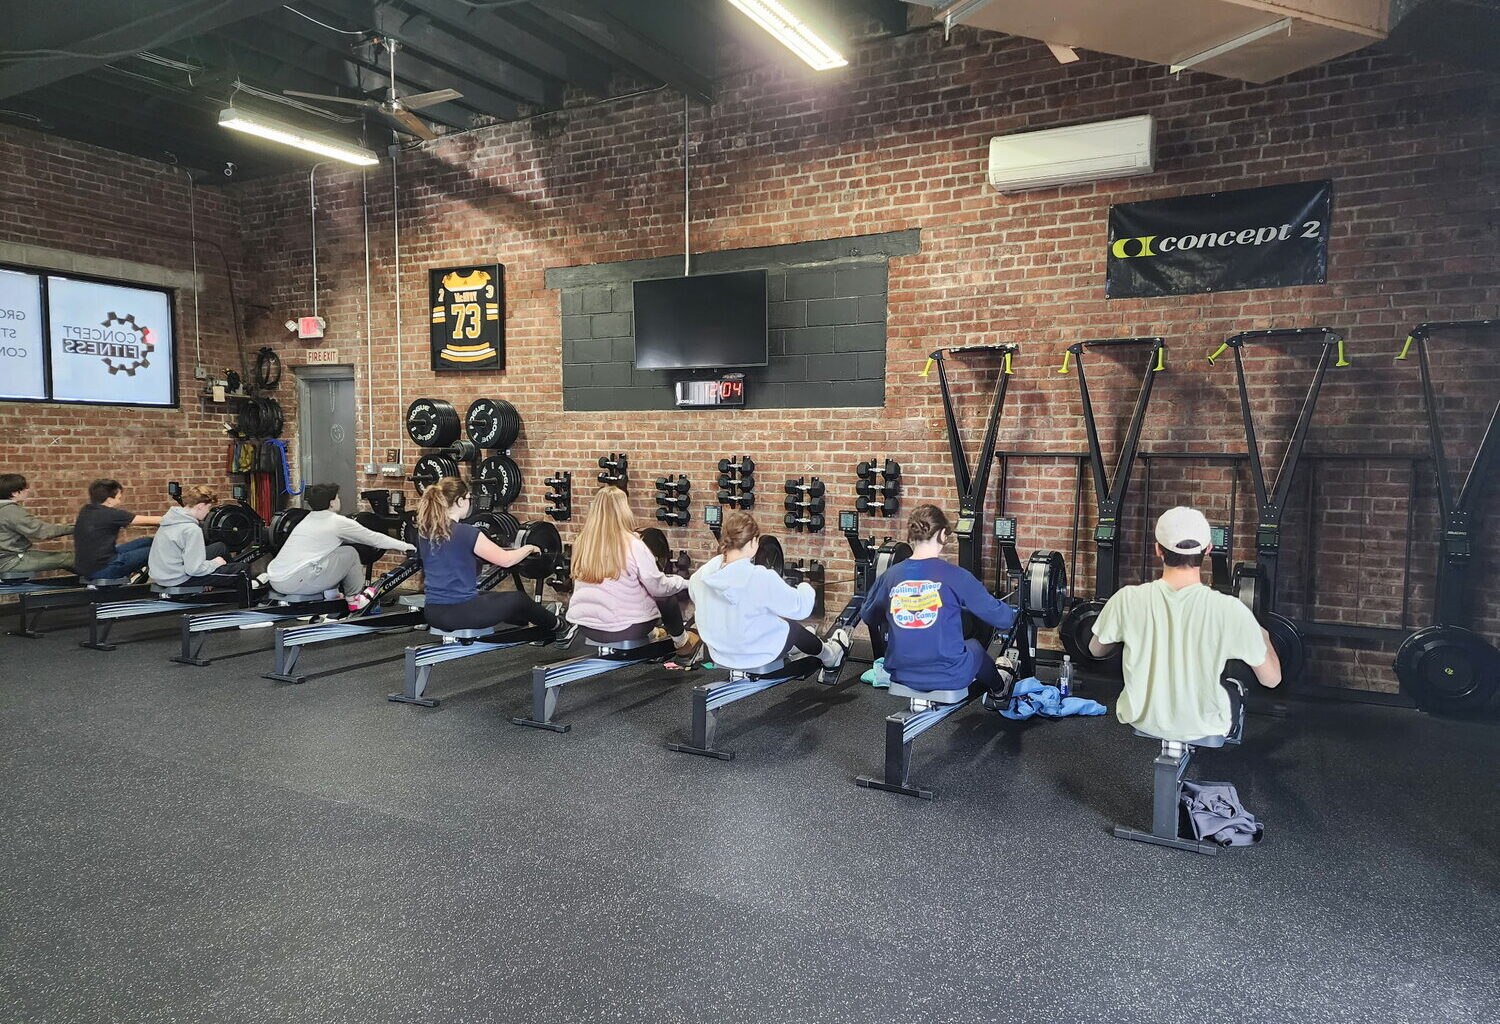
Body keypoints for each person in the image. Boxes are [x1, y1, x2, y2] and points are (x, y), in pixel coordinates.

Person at [1088, 506, 1281, 743]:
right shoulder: (1230, 610)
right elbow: (1271, 680)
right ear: (1208, 549)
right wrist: (1261, 635)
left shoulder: (1126, 599)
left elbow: (1095, 649)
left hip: (1141, 718)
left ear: (1158, 550)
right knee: (1234, 687)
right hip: (1202, 725)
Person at [858, 504, 1017, 697]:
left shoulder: (890, 576)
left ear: (911, 536)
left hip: (900, 673)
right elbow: (1004, 620)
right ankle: (999, 689)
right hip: (949, 675)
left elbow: (869, 617)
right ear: (942, 535)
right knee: (974, 647)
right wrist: (1013, 610)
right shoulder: (956, 576)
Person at [688, 511, 849, 681]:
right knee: (791, 628)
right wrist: (805, 587)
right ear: (753, 542)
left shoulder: (700, 576)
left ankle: (797, 647)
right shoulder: (759, 577)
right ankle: (831, 656)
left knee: (779, 624)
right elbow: (801, 608)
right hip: (756, 653)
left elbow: (699, 598)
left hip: (719, 652)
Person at [413, 477, 569, 644]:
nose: (470, 502)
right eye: (468, 498)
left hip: (433, 613)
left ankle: (529, 620)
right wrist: (529, 548)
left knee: (493, 597)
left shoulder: (425, 532)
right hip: (460, 613)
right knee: (519, 599)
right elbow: (507, 561)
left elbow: (454, 559)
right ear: (459, 501)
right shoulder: (466, 532)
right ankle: (561, 628)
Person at [565, 486, 698, 660]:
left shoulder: (582, 542)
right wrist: (685, 583)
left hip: (586, 627)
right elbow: (658, 587)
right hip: (624, 628)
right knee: (665, 595)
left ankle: (653, 633)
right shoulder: (633, 544)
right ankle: (682, 642)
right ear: (623, 510)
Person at [266, 483, 415, 611]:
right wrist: (406, 546)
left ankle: (332, 596)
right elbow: (374, 539)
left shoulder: (307, 518)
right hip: (297, 582)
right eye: (337, 497)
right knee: (350, 553)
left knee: (334, 553)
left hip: (276, 580)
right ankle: (355, 600)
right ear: (331, 503)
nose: (339, 500)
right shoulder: (336, 522)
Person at [147, 484, 250, 600]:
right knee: (242, 569)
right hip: (178, 578)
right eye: (208, 508)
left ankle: (221, 580)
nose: (208, 513)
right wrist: (215, 564)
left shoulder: (171, 519)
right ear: (201, 506)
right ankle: (243, 605)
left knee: (220, 547)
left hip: (162, 573)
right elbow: (194, 569)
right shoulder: (191, 529)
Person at [73, 479, 161, 582]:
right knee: (157, 550)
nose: (120, 501)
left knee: (148, 541)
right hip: (104, 568)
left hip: (88, 566)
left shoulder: (86, 510)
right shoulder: (111, 514)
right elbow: (154, 520)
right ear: (109, 500)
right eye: (119, 497)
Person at [0, 473, 74, 576]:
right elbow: (41, 532)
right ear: (15, 493)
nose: (28, 491)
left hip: (6, 557)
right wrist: (73, 528)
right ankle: (95, 585)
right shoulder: (11, 511)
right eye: (25, 488)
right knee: (71, 558)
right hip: (10, 561)